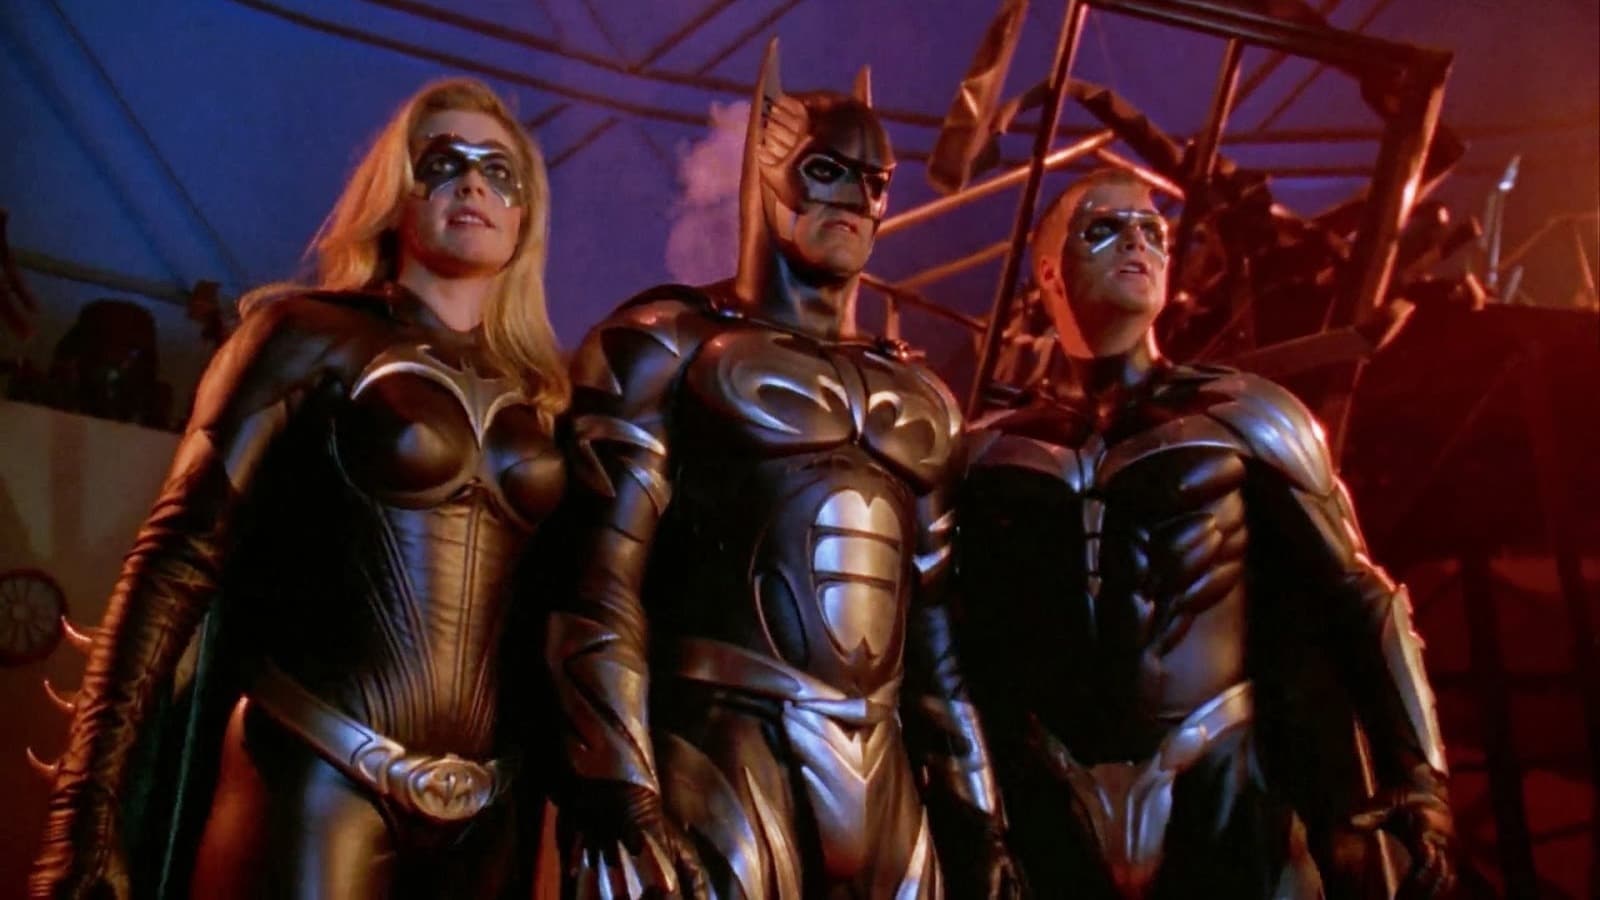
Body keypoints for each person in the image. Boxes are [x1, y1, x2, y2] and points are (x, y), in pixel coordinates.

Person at [29, 76, 569, 899]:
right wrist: (83, 812)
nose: (472, 185)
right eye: (443, 163)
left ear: (526, 214)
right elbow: (173, 564)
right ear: (396, 192)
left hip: (489, 808)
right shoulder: (303, 335)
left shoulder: (547, 399)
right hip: (315, 772)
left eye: (500, 171)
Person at [545, 41, 1018, 900]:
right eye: (826, 170)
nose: (856, 198)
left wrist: (979, 822)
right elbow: (598, 579)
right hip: (721, 747)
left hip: (884, 772)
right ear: (765, 171)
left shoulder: (923, 399)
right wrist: (619, 785)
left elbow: (939, 645)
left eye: (875, 181)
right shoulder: (668, 344)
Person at [953, 169, 1454, 899]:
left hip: (1222, 790)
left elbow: (1357, 593)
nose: (1138, 241)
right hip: (1048, 801)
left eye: (1152, 230)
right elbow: (953, 637)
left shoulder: (1245, 417)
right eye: (1105, 229)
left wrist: (1420, 772)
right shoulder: (989, 451)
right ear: (1051, 273)